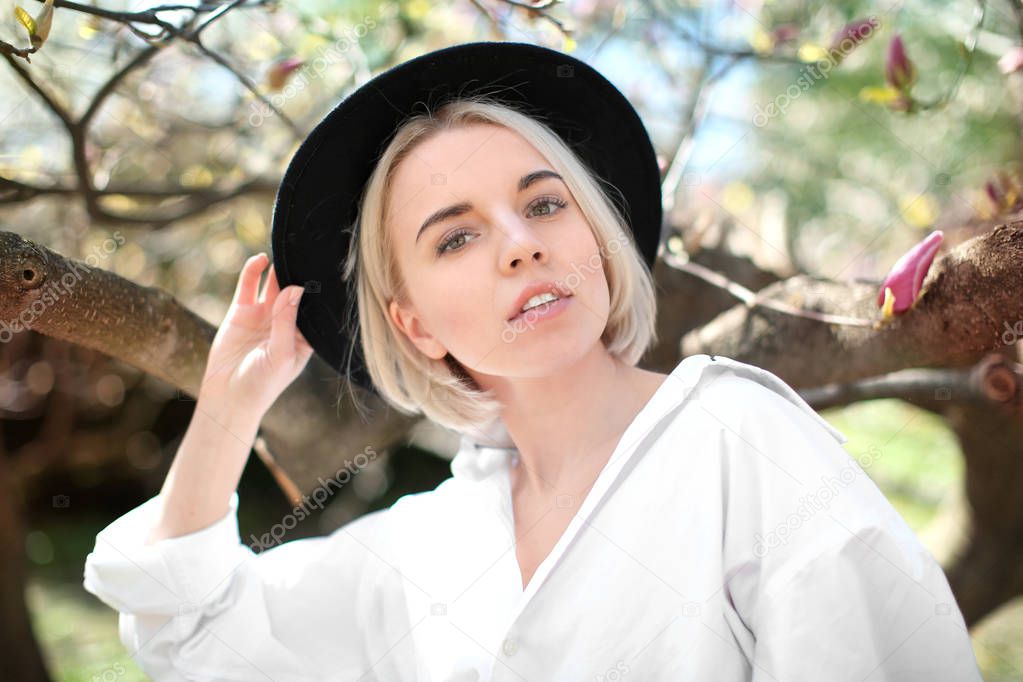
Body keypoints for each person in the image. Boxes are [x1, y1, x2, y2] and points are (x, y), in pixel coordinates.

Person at [82, 42, 983, 681]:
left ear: (594, 237)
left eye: (544, 204)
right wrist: (227, 409)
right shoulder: (421, 548)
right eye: (457, 236)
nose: (519, 245)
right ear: (416, 325)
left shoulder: (733, 435)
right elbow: (189, 635)